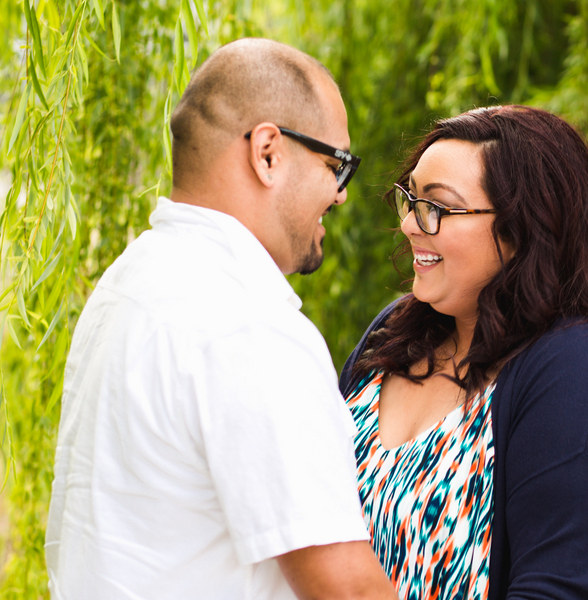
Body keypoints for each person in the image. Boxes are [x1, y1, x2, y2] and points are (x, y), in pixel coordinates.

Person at [45, 38, 398, 600]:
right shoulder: (247, 322)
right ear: (268, 153)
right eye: (337, 165)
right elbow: (346, 590)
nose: (339, 196)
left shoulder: (126, 286)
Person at [339, 105, 588, 599]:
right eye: (410, 199)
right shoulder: (390, 339)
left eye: (438, 206)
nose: (411, 226)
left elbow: (571, 587)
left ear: (526, 227)